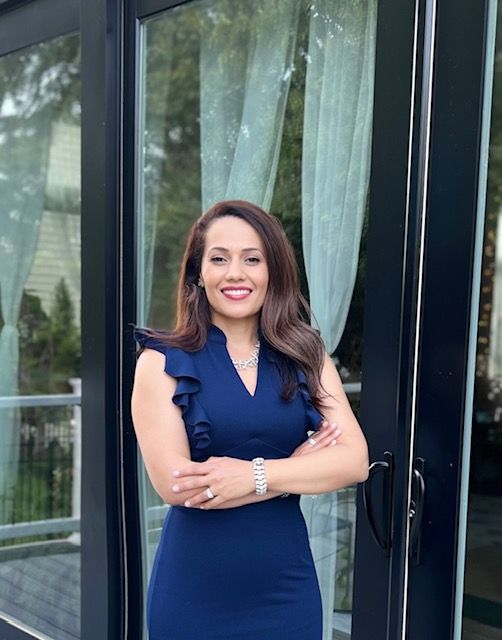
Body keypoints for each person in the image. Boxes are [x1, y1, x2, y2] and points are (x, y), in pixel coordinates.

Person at [131, 200, 369, 640]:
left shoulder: (307, 355)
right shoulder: (161, 361)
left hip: (286, 587)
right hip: (195, 590)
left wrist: (254, 476)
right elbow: (179, 487)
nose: (235, 273)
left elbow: (354, 461)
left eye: (252, 259)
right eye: (219, 259)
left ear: (272, 272)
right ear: (198, 274)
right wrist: (297, 471)